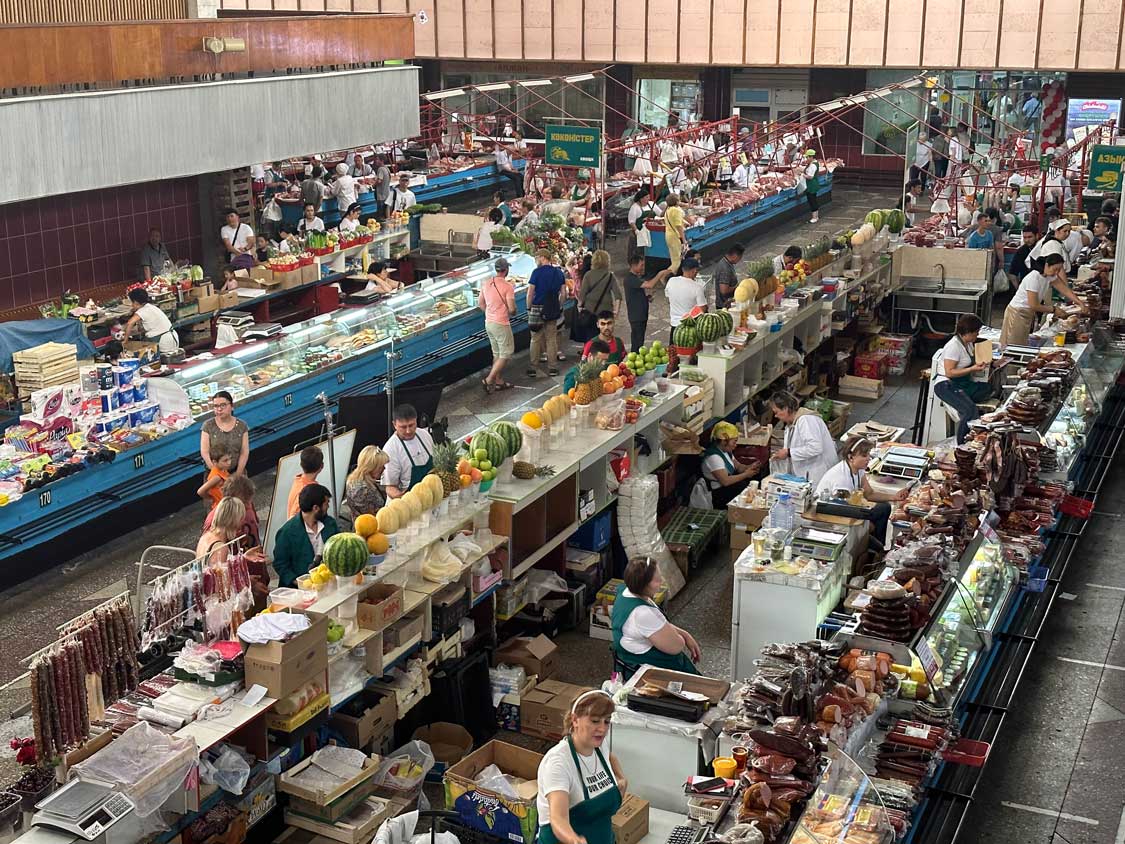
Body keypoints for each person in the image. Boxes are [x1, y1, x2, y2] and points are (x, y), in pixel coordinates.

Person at [536, 690, 627, 844]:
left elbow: (610, 757)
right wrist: (574, 840)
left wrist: (621, 778)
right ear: (575, 720)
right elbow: (558, 818)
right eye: (595, 721)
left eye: (607, 721)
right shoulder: (558, 762)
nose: (603, 729)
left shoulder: (599, 745)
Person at [611, 558, 701, 676]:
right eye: (657, 580)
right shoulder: (643, 613)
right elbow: (676, 646)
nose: (662, 581)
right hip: (650, 670)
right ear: (644, 585)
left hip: (626, 658)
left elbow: (658, 626)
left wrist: (685, 634)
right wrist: (682, 638)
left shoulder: (625, 591)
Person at [816, 437, 909, 548]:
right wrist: (865, 524)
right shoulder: (841, 479)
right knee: (874, 542)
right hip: (835, 518)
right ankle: (875, 550)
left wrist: (894, 497)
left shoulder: (858, 469)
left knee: (884, 508)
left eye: (869, 455)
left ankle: (878, 546)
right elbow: (842, 511)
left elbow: (869, 494)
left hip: (851, 509)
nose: (868, 459)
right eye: (864, 456)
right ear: (851, 457)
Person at [1000, 254, 1085, 347]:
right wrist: (1054, 309)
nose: (1056, 273)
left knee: (1021, 344)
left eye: (1059, 270)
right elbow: (1034, 305)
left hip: (1027, 313)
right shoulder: (1034, 278)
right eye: (1055, 269)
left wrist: (1080, 303)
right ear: (1047, 265)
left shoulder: (1049, 276)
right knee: (1012, 345)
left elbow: (1064, 289)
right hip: (1017, 313)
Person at [933, 314, 991, 444]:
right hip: (945, 384)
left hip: (960, 382)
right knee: (969, 410)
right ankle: (962, 444)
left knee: (988, 389)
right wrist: (972, 369)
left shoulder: (968, 343)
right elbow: (950, 372)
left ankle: (975, 434)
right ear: (967, 332)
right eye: (976, 332)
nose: (977, 335)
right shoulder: (954, 346)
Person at [273, 484, 340, 588]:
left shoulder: (330, 524)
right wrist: (301, 583)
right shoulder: (286, 532)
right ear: (316, 508)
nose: (328, 507)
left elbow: (339, 550)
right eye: (326, 503)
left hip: (329, 585)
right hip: (300, 591)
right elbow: (280, 564)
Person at [769, 390, 837, 486]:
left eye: (776, 412)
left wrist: (788, 452)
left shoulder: (806, 420)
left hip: (818, 473)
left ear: (785, 408)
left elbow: (815, 447)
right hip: (806, 474)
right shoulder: (790, 426)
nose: (775, 416)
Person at [698, 421, 758, 509]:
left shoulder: (726, 451)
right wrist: (746, 474)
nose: (736, 445)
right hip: (717, 494)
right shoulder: (714, 457)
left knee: (749, 483)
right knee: (742, 487)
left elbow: (738, 466)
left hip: (727, 487)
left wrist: (750, 467)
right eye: (734, 442)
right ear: (723, 441)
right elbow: (725, 481)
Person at [479, 257, 517, 391]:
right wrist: (512, 312)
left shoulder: (486, 283)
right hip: (501, 323)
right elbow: (512, 309)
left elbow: (481, 304)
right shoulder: (508, 287)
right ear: (506, 270)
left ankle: (499, 381)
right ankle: (489, 379)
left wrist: (490, 314)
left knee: (497, 353)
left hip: (489, 323)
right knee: (506, 354)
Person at [382, 404, 436, 497]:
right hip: (410, 498)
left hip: (433, 492)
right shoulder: (390, 449)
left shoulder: (424, 435)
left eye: (411, 425)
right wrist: (403, 499)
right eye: (403, 427)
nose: (408, 431)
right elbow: (390, 487)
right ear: (394, 425)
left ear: (416, 420)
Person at [527, 251, 566, 378]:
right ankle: (552, 368)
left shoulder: (536, 272)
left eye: (537, 257)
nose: (537, 260)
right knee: (551, 339)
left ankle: (533, 367)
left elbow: (530, 293)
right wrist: (559, 306)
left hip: (537, 308)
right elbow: (563, 294)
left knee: (535, 338)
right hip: (552, 308)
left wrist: (529, 308)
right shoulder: (559, 273)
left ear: (543, 258)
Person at [623, 253, 666, 353]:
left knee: (640, 341)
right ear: (633, 265)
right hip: (636, 315)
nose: (643, 267)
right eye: (641, 265)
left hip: (641, 314)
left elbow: (636, 295)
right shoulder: (630, 279)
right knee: (637, 343)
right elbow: (650, 285)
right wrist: (659, 275)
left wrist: (647, 298)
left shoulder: (636, 278)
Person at [202, 473, 260, 548]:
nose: (249, 506)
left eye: (250, 500)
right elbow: (214, 554)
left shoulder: (248, 506)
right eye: (245, 502)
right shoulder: (213, 523)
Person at [201, 391, 250, 476]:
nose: (219, 409)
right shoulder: (208, 426)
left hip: (237, 472)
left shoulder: (242, 426)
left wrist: (238, 474)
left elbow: (244, 452)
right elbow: (205, 452)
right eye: (216, 406)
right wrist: (217, 473)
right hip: (215, 476)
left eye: (223, 405)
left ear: (231, 406)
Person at [578, 250, 622, 337]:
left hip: (590, 311)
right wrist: (616, 311)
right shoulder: (610, 276)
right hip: (606, 312)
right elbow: (618, 296)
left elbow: (582, 294)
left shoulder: (588, 275)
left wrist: (579, 307)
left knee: (591, 337)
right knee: (606, 336)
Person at [124, 288, 179, 356]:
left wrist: (125, 341)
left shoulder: (142, 311)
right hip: (172, 338)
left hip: (163, 341)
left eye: (131, 302)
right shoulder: (151, 307)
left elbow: (130, 323)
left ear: (135, 302)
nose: (131, 305)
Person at [665, 257, 707, 347]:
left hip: (675, 327)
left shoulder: (671, 281)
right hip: (691, 330)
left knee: (674, 356)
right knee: (690, 356)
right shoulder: (697, 287)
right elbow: (703, 308)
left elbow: (668, 298)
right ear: (694, 270)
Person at [196, 497, 248, 564]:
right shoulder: (221, 548)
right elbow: (220, 574)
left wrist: (244, 557)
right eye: (241, 519)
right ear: (233, 521)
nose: (242, 522)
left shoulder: (205, 536)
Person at [343, 445, 389, 522]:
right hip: (369, 528)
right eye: (381, 466)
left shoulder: (358, 479)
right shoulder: (361, 490)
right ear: (371, 467)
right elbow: (372, 516)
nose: (384, 468)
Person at [286, 445, 324, 519]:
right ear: (321, 466)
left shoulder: (298, 480)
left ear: (301, 465)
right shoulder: (309, 492)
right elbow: (292, 518)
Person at [626, 189, 657, 257]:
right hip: (640, 233)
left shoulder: (651, 204)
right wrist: (637, 231)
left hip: (651, 232)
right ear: (641, 199)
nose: (648, 199)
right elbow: (631, 222)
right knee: (638, 253)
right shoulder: (635, 208)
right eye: (647, 197)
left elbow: (660, 214)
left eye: (649, 197)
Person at [714, 244, 743, 309]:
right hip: (725, 306)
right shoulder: (725, 269)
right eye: (740, 257)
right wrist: (738, 287)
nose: (740, 260)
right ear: (735, 256)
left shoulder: (726, 261)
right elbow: (724, 290)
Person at [663, 194, 686, 273]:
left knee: (674, 260)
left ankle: (671, 277)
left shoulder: (668, 210)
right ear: (676, 202)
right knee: (677, 262)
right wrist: (684, 240)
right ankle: (664, 276)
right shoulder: (676, 210)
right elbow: (679, 226)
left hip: (668, 236)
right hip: (675, 237)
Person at [802, 150, 822, 224]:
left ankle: (815, 217)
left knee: (812, 200)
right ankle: (816, 216)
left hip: (811, 185)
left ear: (811, 157)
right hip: (812, 184)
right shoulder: (814, 163)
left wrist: (802, 175)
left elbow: (810, 177)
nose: (806, 159)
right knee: (813, 200)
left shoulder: (813, 165)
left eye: (807, 157)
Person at [372, 155, 392, 220]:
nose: (376, 161)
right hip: (387, 193)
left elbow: (379, 180)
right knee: (386, 212)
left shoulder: (380, 169)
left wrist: (373, 185)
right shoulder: (387, 168)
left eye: (377, 159)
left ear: (382, 160)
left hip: (381, 195)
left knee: (381, 215)